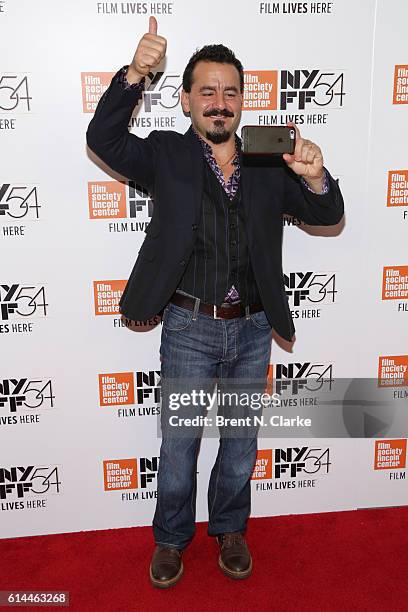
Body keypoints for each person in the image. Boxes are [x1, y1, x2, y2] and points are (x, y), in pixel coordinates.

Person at [87, 16, 344, 589]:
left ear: (243, 101)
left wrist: (316, 174)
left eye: (230, 92)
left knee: (240, 441)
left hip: (254, 328)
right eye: (206, 91)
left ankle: (230, 529)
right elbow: (103, 141)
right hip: (187, 324)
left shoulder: (268, 160)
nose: (219, 103)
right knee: (179, 446)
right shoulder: (164, 156)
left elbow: (328, 214)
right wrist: (134, 74)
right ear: (185, 102)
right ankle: (172, 540)